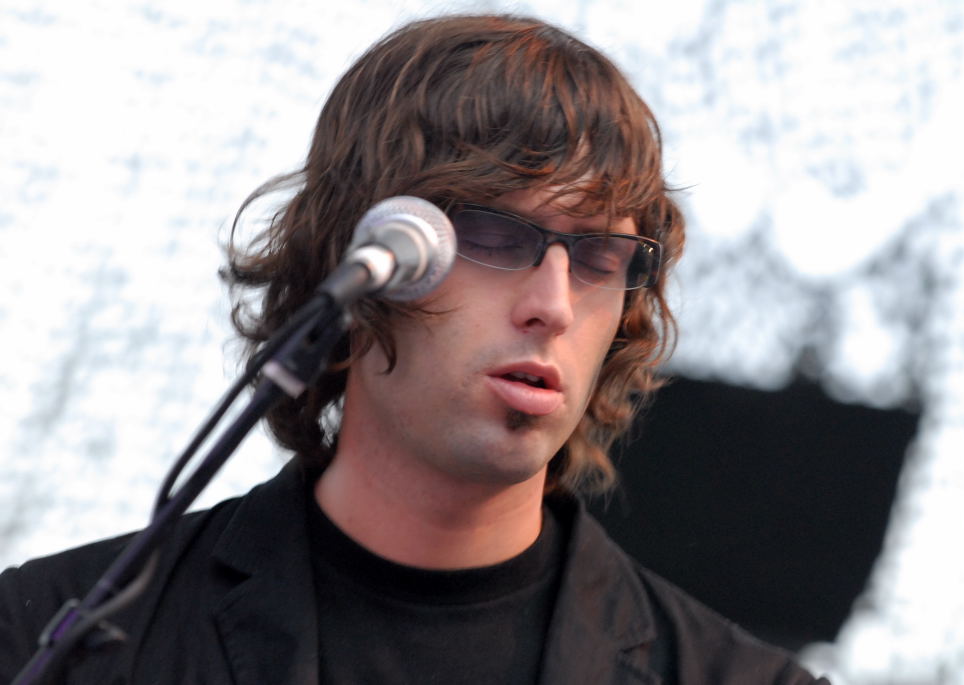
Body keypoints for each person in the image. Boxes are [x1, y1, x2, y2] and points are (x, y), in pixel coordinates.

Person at [0, 14, 829, 684]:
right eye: (496, 235)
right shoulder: (49, 638)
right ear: (364, 254)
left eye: (598, 256)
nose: (552, 305)